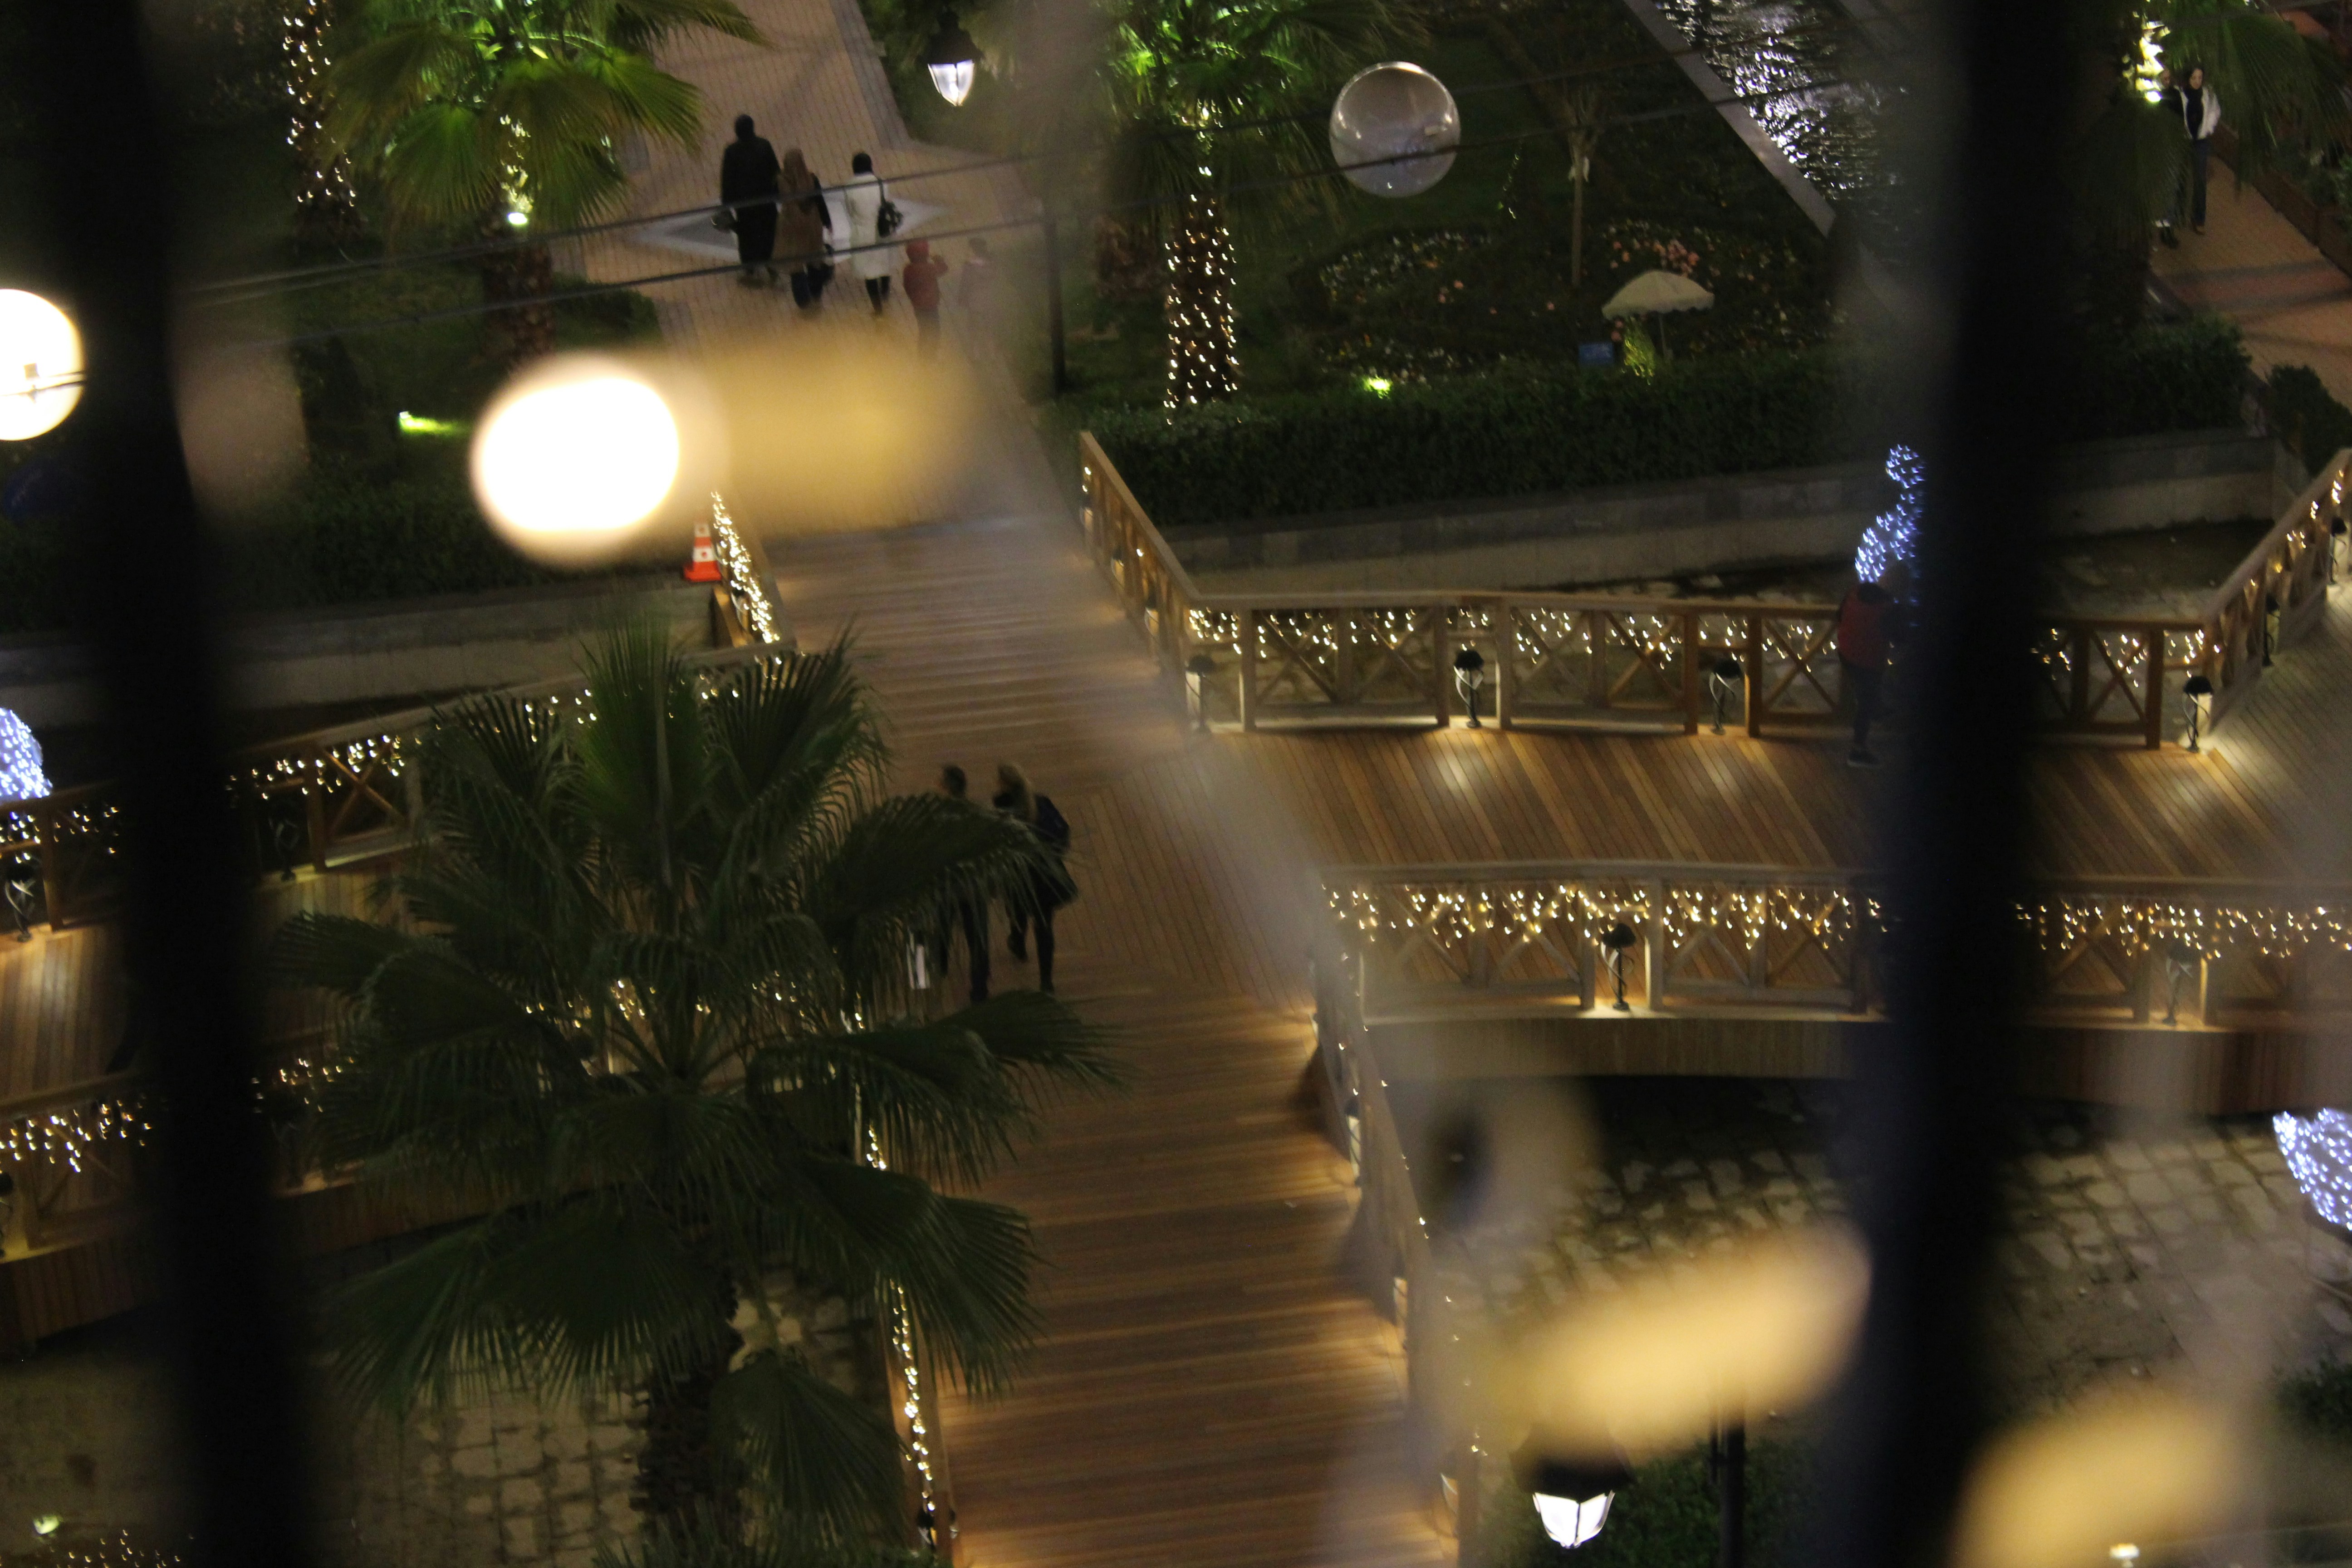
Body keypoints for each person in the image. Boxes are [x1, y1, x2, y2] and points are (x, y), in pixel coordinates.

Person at [993, 763, 1073, 995]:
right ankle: (1046, 980)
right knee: (1044, 925)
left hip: (1018, 874)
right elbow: (1063, 832)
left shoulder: (1002, 808)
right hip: (1045, 875)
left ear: (1005, 785)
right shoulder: (1040, 802)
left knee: (1017, 910)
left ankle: (1018, 943)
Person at [929, 765, 990, 1004]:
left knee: (943, 926)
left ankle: (940, 966)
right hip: (975, 886)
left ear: (946, 788)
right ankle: (980, 990)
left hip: (948, 886)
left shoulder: (939, 819)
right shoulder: (977, 815)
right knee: (978, 939)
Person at [1834, 578, 1896, 769]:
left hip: (1846, 653)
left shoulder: (1855, 592)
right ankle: (1858, 750)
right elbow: (1899, 636)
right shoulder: (1887, 609)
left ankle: (1878, 711)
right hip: (1869, 661)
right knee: (1866, 702)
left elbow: (1839, 616)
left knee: (1865, 697)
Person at [2158, 67, 2221, 245]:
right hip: (2183, 141)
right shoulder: (2179, 95)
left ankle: (2199, 218)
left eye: (2200, 78)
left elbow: (2215, 112)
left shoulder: (2207, 94)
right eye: (2194, 78)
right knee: (2179, 179)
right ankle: (2175, 217)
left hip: (2200, 142)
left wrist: (2207, 129)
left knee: (2200, 179)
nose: (2197, 81)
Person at [719, 115, 781, 287]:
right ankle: (771, 265)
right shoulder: (764, 146)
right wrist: (778, 195)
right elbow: (775, 172)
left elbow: (728, 179)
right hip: (765, 201)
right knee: (768, 234)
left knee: (747, 236)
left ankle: (750, 270)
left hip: (744, 204)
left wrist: (726, 203)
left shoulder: (732, 151)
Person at [776, 147, 833, 310]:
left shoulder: (780, 181)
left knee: (796, 265)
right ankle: (816, 293)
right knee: (814, 260)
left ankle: (802, 301)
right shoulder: (811, 179)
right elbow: (820, 201)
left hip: (792, 227)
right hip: (812, 224)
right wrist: (828, 222)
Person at [840, 152, 895, 315]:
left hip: (863, 232)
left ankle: (877, 308)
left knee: (869, 271)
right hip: (883, 230)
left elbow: (850, 211)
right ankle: (885, 290)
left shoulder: (850, 187)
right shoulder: (881, 182)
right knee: (884, 263)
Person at [902, 239, 949, 356]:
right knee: (934, 332)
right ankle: (930, 356)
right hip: (930, 304)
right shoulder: (927, 268)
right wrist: (938, 259)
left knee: (924, 331)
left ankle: (923, 356)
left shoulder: (909, 269)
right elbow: (943, 269)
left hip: (918, 305)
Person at [958, 236, 998, 353]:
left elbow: (965, 282)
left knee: (976, 326)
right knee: (986, 326)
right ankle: (987, 351)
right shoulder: (991, 262)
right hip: (986, 299)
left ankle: (977, 351)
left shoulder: (970, 264)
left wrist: (963, 297)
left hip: (977, 300)